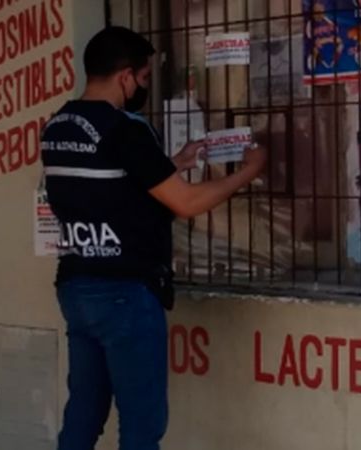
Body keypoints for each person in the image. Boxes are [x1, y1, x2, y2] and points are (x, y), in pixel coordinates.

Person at [41, 26, 266, 450]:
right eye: (144, 79)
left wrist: (173, 163)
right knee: (142, 427)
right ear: (126, 77)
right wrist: (248, 172)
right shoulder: (126, 128)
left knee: (84, 416)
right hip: (125, 292)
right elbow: (186, 203)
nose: (142, 88)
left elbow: (109, 186)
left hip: (77, 287)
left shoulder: (59, 125)